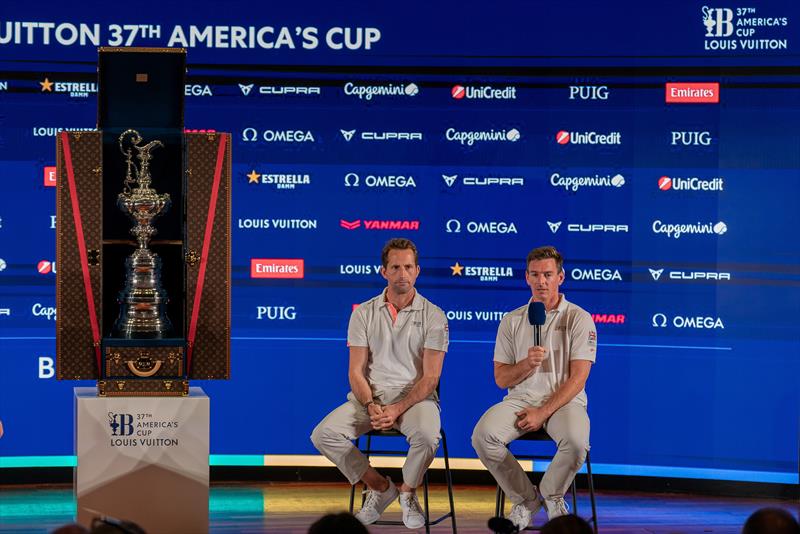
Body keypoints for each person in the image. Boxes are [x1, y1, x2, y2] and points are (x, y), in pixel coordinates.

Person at [311, 238, 449, 529]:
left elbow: (431, 378)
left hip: (416, 400)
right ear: (383, 271)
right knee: (324, 434)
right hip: (371, 399)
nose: (403, 274)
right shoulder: (363, 312)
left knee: (427, 436)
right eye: (396, 267)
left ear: (417, 271)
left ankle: (408, 493)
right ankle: (379, 488)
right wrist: (371, 405)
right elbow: (356, 372)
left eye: (408, 267)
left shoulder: (434, 315)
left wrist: (398, 407)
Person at [472, 246, 597, 531]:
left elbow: (578, 378)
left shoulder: (579, 318)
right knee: (483, 436)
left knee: (577, 443)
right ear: (526, 278)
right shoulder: (512, 320)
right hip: (521, 399)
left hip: (565, 401)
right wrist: (527, 364)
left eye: (548, 275)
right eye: (536, 275)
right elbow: (502, 379)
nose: (542, 281)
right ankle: (526, 500)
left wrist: (543, 412)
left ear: (561, 277)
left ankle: (552, 495)